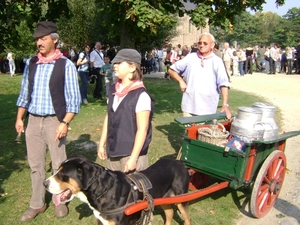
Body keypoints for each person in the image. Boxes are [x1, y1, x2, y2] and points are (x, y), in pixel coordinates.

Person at [15, 21, 81, 222]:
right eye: (37, 39)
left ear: (55, 39)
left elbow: (74, 100)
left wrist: (65, 122)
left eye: (43, 38)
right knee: (35, 165)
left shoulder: (66, 65)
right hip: (33, 120)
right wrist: (20, 117)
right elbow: (25, 93)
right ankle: (37, 204)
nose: (39, 43)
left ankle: (59, 201)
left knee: (58, 164)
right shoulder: (31, 63)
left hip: (55, 121)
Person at [98, 49, 154, 173]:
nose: (115, 66)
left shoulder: (141, 95)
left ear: (132, 67)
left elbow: (142, 129)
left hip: (132, 154)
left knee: (134, 190)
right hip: (113, 151)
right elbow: (109, 116)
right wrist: (102, 144)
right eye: (114, 63)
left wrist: (133, 158)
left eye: (119, 63)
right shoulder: (114, 90)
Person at [168, 32, 231, 119]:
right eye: (200, 43)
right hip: (189, 106)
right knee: (190, 132)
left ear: (212, 45)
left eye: (205, 43)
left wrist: (225, 105)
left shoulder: (217, 61)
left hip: (208, 108)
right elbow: (171, 70)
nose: (201, 45)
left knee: (205, 132)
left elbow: (224, 84)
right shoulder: (191, 57)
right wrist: (180, 81)